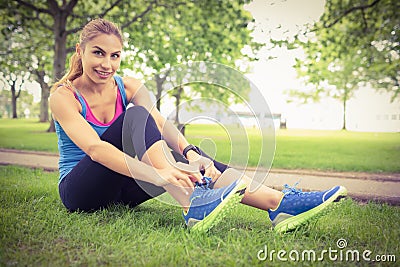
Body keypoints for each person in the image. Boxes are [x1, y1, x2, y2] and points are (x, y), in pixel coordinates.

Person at [50, 18, 347, 234]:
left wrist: (191, 154)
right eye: (98, 53)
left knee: (188, 155)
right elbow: (96, 149)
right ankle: (191, 204)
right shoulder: (63, 96)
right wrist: (161, 173)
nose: (107, 63)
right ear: (80, 51)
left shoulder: (128, 86)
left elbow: (160, 124)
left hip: (124, 190)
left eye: (114, 55)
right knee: (136, 117)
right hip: (81, 192)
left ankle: (277, 203)